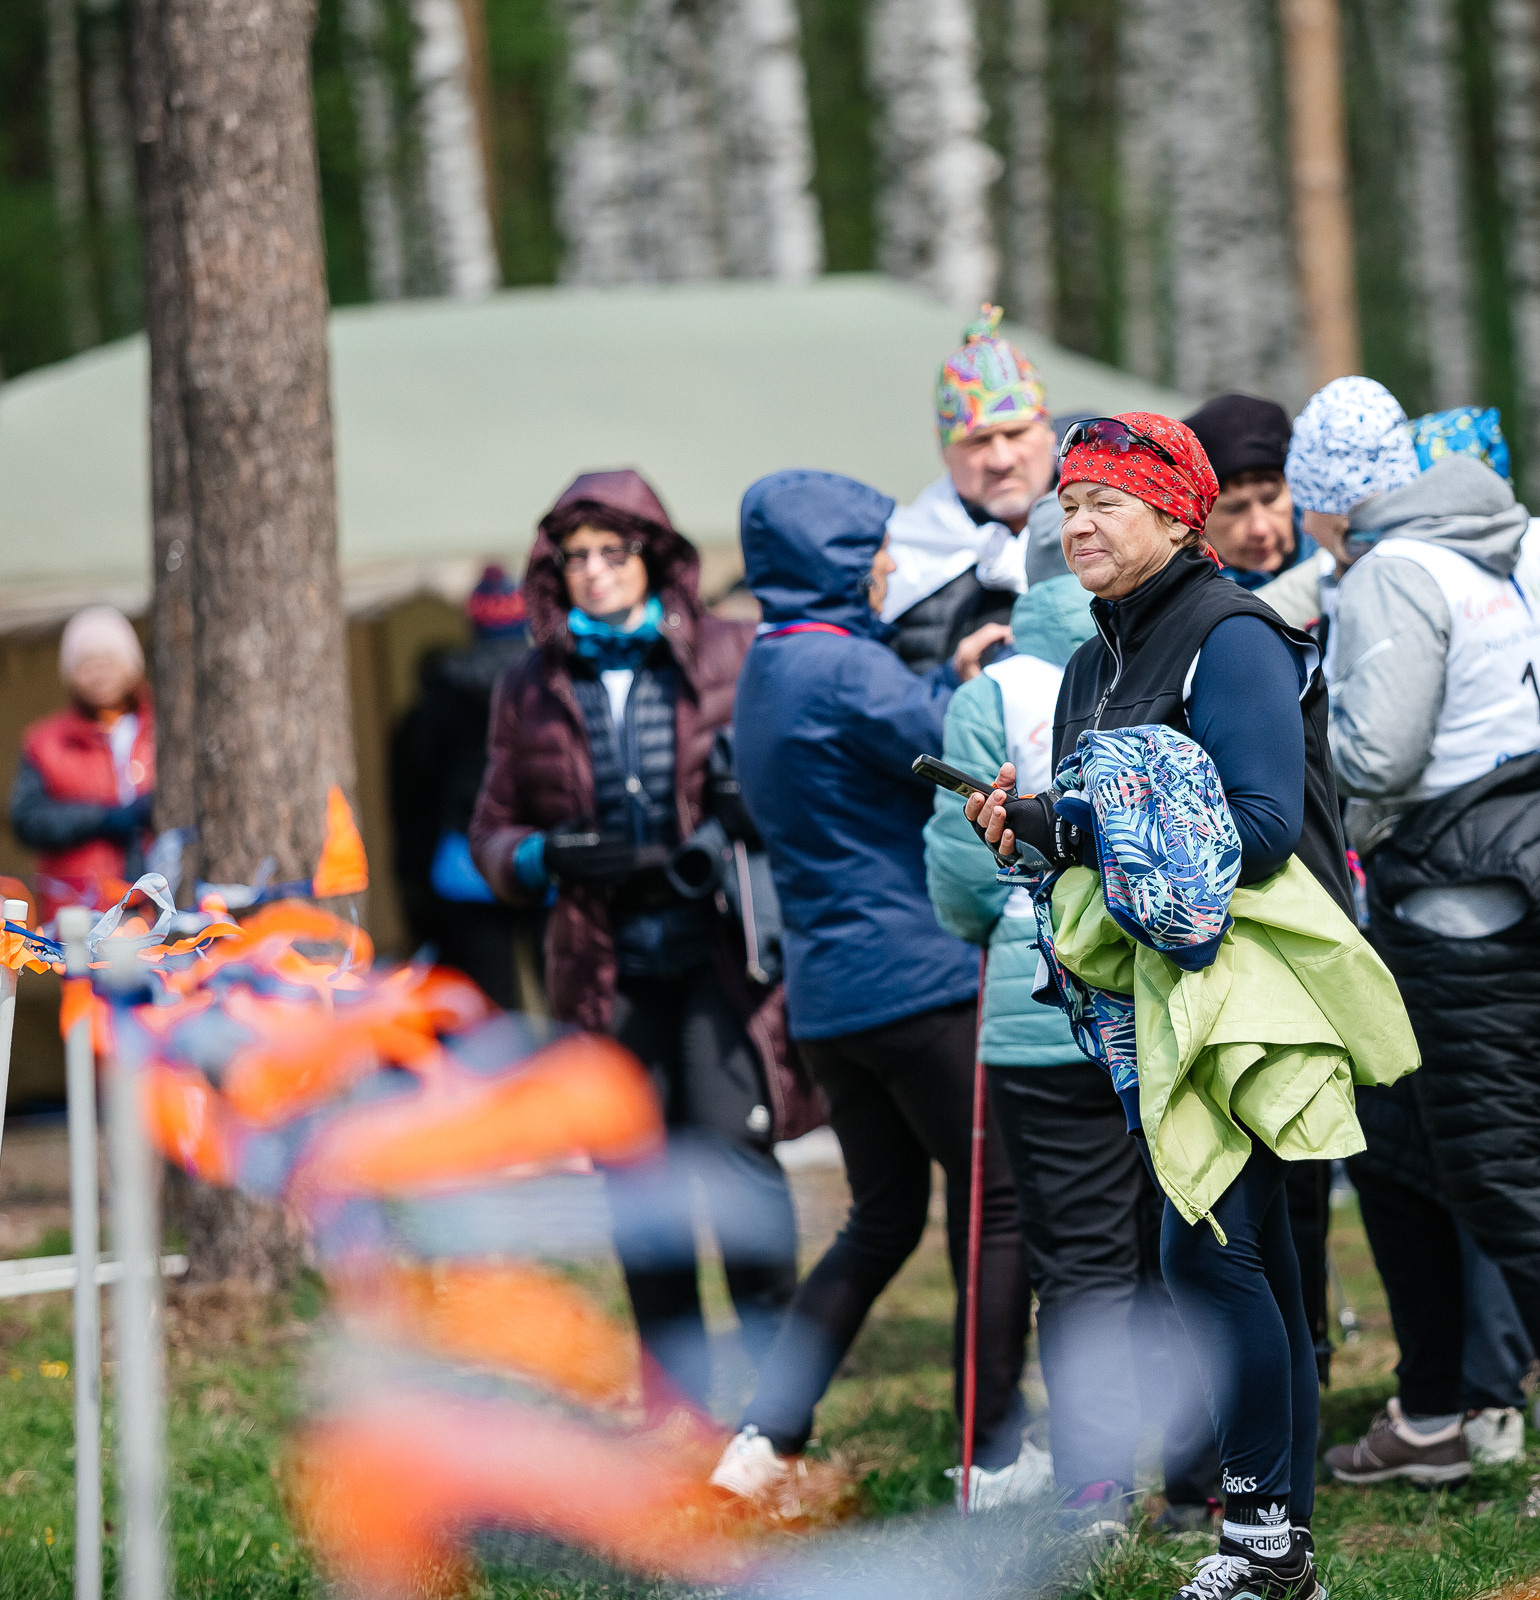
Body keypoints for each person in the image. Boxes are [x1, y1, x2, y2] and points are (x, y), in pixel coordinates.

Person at [1272, 385, 1540, 1476]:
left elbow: (1382, 756)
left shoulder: (1387, 573)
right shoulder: (1522, 545)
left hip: (1464, 905)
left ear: (1330, 501)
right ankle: (1436, 1417)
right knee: (1406, 1148)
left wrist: (1282, 764)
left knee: (1515, 1183)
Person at [969, 413, 1361, 1600]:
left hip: (1244, 991)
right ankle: (1275, 1543)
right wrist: (1029, 827)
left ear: (1178, 517)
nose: (1077, 524)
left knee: (1211, 1255)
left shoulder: (1229, 635)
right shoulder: (1097, 654)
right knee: (1253, 1262)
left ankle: (1259, 1546)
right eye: (1069, 503)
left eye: (1107, 505)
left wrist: (1082, 825)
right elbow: (1114, 825)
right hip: (1159, 988)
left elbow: (1259, 826)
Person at [714, 470, 1042, 1507]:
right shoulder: (849, 669)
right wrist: (986, 676)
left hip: (828, 995)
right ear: (838, 564)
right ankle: (993, 1453)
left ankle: (766, 1433)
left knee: (882, 1215)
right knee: (999, 1201)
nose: (893, 567)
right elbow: (955, 748)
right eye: (877, 551)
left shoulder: (769, 666)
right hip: (918, 977)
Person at [468, 470, 797, 1416]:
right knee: (637, 1185)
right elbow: (488, 832)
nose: (595, 573)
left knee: (738, 1164)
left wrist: (744, 813)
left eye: (613, 553)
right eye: (575, 559)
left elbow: (794, 779)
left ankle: (778, 1412)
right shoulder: (528, 685)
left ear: (652, 556)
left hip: (720, 957)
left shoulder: (730, 653)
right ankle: (678, 1410)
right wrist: (542, 854)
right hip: (601, 964)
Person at [922, 493, 1214, 1528]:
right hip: (1163, 993)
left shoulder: (988, 694)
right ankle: (1197, 1485)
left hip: (1038, 1012)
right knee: (1178, 1238)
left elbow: (960, 886)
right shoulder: (1167, 656)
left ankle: (1093, 1490)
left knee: (1079, 1262)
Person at [392, 566, 543, 1008]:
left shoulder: (440, 696)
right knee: (560, 994)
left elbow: (416, 795)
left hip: (465, 862)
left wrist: (413, 880)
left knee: (492, 1000)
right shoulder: (544, 684)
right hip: (537, 854)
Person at [881, 305, 1057, 673]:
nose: (1001, 459)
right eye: (978, 442)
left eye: (1015, 433)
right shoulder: (902, 556)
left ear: (1048, 432)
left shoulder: (1111, 527)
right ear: (944, 451)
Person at [12, 605, 155, 906]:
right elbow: (27, 820)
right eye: (86, 664)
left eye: (109, 661)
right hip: (81, 911)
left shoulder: (164, 729)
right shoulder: (46, 743)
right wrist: (102, 818)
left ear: (132, 665)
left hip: (158, 904)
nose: (99, 674)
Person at [1184, 394, 1299, 588]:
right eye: (1235, 508)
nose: (1260, 529)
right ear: (1196, 518)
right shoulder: (1181, 596)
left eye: (1270, 499)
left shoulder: (1340, 558)